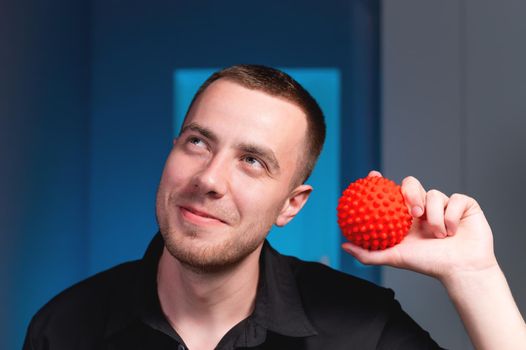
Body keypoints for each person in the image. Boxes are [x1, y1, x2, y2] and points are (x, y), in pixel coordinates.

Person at [23, 65, 526, 350]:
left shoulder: (361, 330)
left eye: (252, 161)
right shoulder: (64, 327)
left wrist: (474, 275)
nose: (209, 179)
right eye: (198, 142)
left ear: (291, 205)